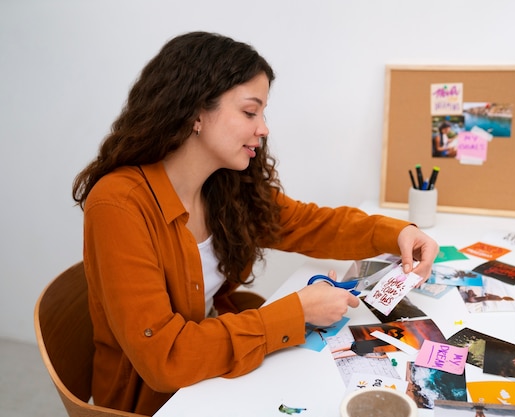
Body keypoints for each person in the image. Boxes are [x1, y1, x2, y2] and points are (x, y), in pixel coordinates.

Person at [71, 31, 438, 415]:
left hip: (210, 374)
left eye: (262, 114)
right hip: (159, 401)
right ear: (195, 112)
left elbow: (308, 223)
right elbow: (166, 358)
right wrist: (295, 313)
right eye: (250, 112)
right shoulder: (119, 204)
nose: (263, 128)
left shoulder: (223, 186)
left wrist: (397, 232)